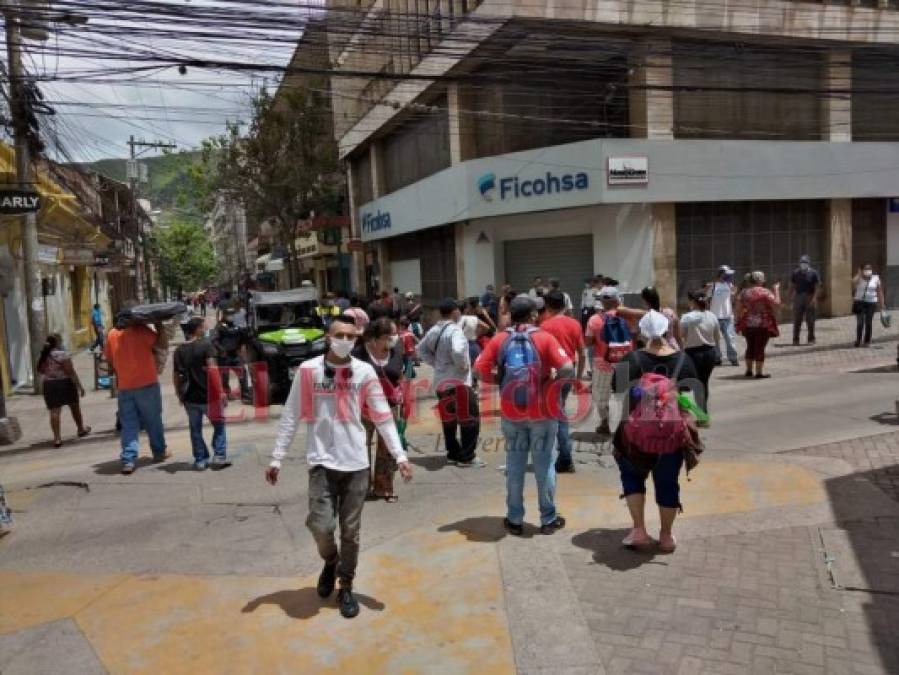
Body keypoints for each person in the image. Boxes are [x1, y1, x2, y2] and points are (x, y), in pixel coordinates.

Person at [265, 314, 413, 619]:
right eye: (339, 335)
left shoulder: (364, 372)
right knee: (322, 526)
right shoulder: (308, 371)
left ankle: (346, 585)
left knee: (351, 531)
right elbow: (292, 415)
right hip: (320, 462)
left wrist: (399, 456)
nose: (345, 341)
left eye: (350, 336)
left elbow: (382, 414)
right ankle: (330, 561)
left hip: (356, 462)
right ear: (327, 337)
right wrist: (277, 457)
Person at [475, 295, 574, 536]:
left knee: (515, 465)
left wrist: (499, 381)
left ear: (510, 314)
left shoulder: (500, 339)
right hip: (543, 412)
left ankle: (515, 519)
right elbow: (568, 367)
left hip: (512, 412)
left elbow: (479, 370)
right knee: (544, 465)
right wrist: (551, 384)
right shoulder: (544, 338)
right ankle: (548, 519)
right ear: (532, 315)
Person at [611, 310, 700, 552]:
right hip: (671, 435)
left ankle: (639, 530)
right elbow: (688, 397)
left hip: (634, 434)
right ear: (668, 329)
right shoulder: (683, 359)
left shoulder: (631, 359)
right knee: (668, 483)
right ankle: (666, 536)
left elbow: (617, 391)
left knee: (632, 478)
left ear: (641, 332)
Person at [417, 298, 481, 466]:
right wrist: (463, 366)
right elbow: (459, 351)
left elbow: (420, 349)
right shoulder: (455, 330)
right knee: (470, 418)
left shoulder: (434, 330)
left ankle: (453, 452)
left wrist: (436, 364)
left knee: (449, 419)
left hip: (441, 381)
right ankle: (467, 456)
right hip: (458, 382)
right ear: (454, 312)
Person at [105, 310, 170, 474]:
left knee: (128, 424)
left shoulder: (112, 334)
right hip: (147, 383)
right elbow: (161, 344)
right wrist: (159, 326)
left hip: (125, 387)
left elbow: (110, 359)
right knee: (153, 420)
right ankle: (159, 451)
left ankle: (128, 459)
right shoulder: (141, 330)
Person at [353, 318, 406, 501]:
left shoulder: (396, 352)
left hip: (389, 407)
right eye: (391, 334)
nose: (395, 338)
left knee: (388, 449)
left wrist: (402, 398)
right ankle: (362, 488)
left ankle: (384, 488)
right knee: (361, 447)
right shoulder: (358, 353)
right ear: (379, 337)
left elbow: (399, 376)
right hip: (363, 409)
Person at [173, 317, 229, 471]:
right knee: (219, 425)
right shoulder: (206, 345)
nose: (205, 330)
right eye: (204, 327)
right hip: (209, 396)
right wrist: (221, 392)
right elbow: (212, 370)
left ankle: (200, 460)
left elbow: (176, 376)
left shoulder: (179, 351)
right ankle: (218, 456)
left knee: (195, 429)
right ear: (197, 329)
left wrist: (179, 394)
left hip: (190, 398)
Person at [540, 290, 586, 473]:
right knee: (559, 410)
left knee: (557, 414)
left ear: (548, 306)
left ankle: (565, 457)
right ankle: (561, 455)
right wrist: (579, 378)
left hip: (552, 374)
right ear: (565, 305)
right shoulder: (574, 324)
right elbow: (582, 353)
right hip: (569, 371)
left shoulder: (544, 326)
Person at [585, 287, 635, 439]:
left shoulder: (594, 319)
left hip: (603, 363)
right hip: (625, 361)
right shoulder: (628, 317)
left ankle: (605, 423)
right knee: (625, 394)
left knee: (601, 395)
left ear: (602, 301)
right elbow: (634, 334)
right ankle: (627, 425)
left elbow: (588, 342)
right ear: (618, 300)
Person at [36, 334, 91, 448]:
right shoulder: (62, 354)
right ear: (57, 343)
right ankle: (80, 429)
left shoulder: (43, 356)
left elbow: (40, 370)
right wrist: (80, 386)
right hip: (65, 383)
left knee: (54, 411)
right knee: (74, 407)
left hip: (49, 385)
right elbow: (70, 371)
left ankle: (57, 438)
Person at [680, 291, 721, 414]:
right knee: (703, 383)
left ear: (693, 302)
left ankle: (686, 413)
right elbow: (717, 337)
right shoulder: (712, 316)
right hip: (710, 352)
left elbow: (681, 335)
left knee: (686, 383)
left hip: (693, 353)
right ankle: (703, 413)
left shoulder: (687, 317)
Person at [736, 271, 781, 378]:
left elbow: (738, 308)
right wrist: (776, 290)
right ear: (759, 280)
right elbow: (777, 304)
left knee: (750, 346)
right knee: (760, 348)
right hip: (762, 325)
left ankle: (748, 370)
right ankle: (759, 373)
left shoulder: (744, 292)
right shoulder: (765, 292)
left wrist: (739, 319)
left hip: (748, 324)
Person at [706, 265, 739, 366]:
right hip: (714, 316)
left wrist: (735, 291)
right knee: (715, 339)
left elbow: (733, 298)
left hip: (727, 316)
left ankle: (733, 358)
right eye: (727, 274)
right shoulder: (713, 286)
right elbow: (707, 298)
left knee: (730, 338)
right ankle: (717, 358)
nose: (729, 276)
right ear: (721, 274)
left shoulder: (729, 285)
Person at [213, 309, 248, 400]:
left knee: (242, 372)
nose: (231, 316)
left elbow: (243, 339)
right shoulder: (219, 327)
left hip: (235, 355)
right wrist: (221, 350)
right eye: (229, 314)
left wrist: (241, 348)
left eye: (232, 314)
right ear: (224, 315)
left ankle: (245, 393)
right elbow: (215, 340)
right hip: (224, 356)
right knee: (224, 376)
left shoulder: (237, 327)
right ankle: (227, 393)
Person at [790, 255, 821, 346]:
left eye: (805, 262)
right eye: (801, 262)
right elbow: (792, 285)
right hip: (798, 297)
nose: (803, 264)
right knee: (797, 320)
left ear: (808, 263)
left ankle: (811, 338)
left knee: (810, 320)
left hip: (809, 297)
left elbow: (817, 286)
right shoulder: (795, 273)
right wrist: (791, 296)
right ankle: (796, 339)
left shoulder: (814, 273)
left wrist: (814, 298)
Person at [853, 264, 886, 348]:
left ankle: (867, 341)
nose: (868, 270)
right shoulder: (859, 278)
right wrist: (859, 274)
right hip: (859, 302)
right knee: (860, 322)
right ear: (862, 270)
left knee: (868, 322)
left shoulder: (876, 278)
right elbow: (853, 283)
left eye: (869, 269)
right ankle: (858, 340)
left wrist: (882, 304)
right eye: (866, 269)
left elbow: (879, 291)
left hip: (871, 303)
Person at [458, 298, 493, 367]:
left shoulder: (455, 320)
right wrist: (477, 334)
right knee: (474, 370)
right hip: (473, 346)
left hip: (460, 346)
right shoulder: (473, 318)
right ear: (465, 309)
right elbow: (487, 327)